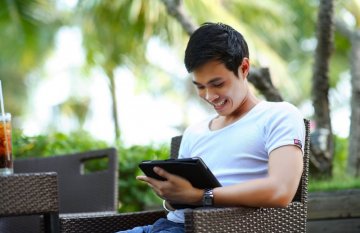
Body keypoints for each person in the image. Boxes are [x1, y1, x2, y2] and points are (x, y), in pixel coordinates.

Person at [117, 22, 305, 233]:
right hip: (164, 226)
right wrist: (172, 195)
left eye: (217, 84)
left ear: (244, 68)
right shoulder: (194, 131)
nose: (209, 96)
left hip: (210, 228)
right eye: (200, 86)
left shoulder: (279, 115)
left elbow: (281, 191)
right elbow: (180, 202)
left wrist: (199, 196)